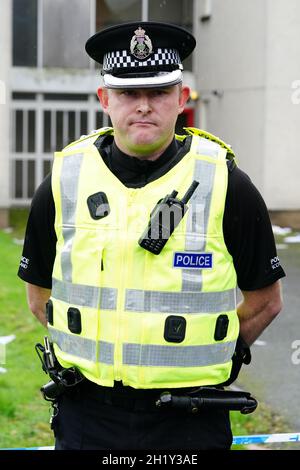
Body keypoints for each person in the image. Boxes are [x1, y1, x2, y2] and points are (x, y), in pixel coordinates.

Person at [18, 21, 285, 450]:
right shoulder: (62, 180)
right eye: (128, 94)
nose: (143, 107)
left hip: (191, 419)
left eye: (158, 93)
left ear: (181, 99)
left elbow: (266, 301)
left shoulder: (227, 184)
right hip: (88, 415)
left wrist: (209, 354)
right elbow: (38, 297)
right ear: (105, 99)